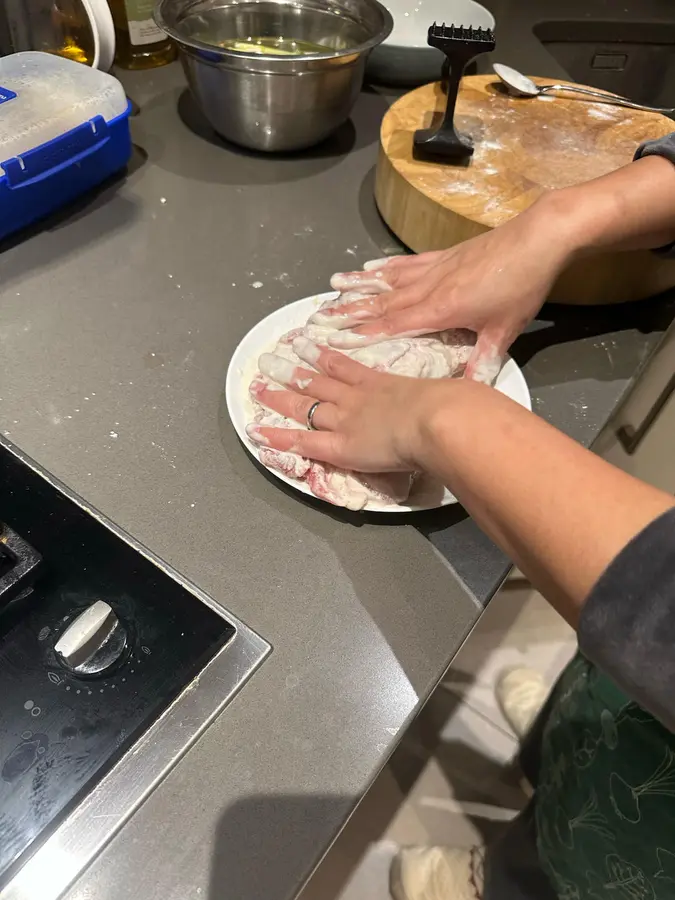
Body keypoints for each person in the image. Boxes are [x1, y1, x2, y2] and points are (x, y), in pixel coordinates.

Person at [246, 135, 675, 899]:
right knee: (587, 726)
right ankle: (566, 747)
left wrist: (444, 421)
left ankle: (505, 882)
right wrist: (563, 219)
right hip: (638, 692)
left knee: (587, 856)